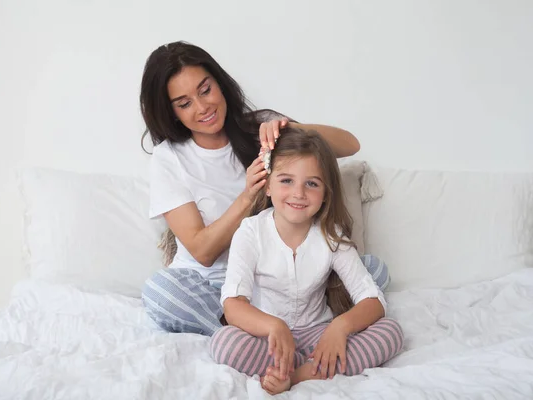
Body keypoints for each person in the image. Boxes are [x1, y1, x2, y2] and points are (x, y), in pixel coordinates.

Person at [139, 40, 386, 336]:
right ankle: (253, 329)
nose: (203, 107)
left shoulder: (259, 128)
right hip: (212, 286)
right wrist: (248, 197)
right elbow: (202, 251)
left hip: (275, 281)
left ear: (220, 83)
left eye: (206, 90)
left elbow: (350, 145)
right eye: (185, 103)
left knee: (374, 270)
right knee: (160, 293)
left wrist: (289, 129)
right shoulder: (169, 158)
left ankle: (267, 331)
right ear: (171, 112)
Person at [210, 128, 403, 395]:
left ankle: (298, 374)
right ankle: (315, 367)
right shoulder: (250, 232)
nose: (298, 193)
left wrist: (340, 327)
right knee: (224, 343)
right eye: (286, 180)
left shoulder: (331, 235)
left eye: (311, 183)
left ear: (326, 192)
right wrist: (273, 326)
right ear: (267, 185)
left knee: (390, 331)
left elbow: (373, 300)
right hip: (267, 338)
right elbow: (233, 305)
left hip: (318, 335)